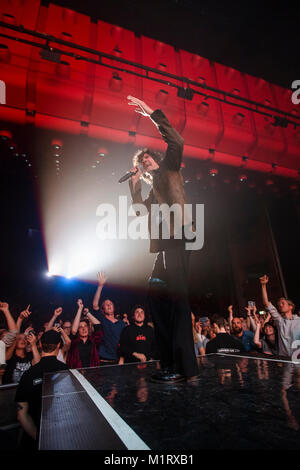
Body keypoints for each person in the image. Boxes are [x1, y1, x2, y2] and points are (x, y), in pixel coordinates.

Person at [127, 95, 199, 383]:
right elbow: (138, 211)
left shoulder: (170, 168)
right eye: (142, 162)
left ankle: (184, 368)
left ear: (156, 159)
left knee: (179, 301)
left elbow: (177, 142)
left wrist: (152, 115)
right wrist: (133, 187)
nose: (146, 162)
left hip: (179, 238)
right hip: (163, 247)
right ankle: (169, 361)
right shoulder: (152, 192)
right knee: (156, 296)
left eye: (148, 158)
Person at [15, 330, 68, 448]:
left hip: (34, 438)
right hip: (62, 435)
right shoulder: (67, 371)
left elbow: (21, 415)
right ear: (59, 345)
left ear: (40, 345)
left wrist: (40, 439)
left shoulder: (28, 374)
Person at [259, 274, 300, 357]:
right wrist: (263, 285)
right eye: (279, 304)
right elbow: (266, 303)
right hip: (284, 359)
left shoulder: (299, 321)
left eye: (283, 303)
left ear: (290, 307)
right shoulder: (280, 320)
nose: (280, 305)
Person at [92, 272, 126, 364]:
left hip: (119, 360)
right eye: (106, 305)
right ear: (103, 309)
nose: (109, 305)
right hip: (105, 360)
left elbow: (125, 342)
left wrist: (122, 358)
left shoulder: (122, 323)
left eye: (110, 304)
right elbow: (95, 305)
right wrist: (100, 286)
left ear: (114, 307)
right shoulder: (103, 320)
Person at [67, 299, 103, 368]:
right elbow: (73, 331)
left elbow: (98, 325)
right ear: (78, 330)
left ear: (88, 328)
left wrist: (87, 313)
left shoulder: (93, 340)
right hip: (77, 374)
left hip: (93, 374)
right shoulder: (75, 341)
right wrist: (80, 309)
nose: (83, 328)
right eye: (80, 327)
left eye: (85, 326)